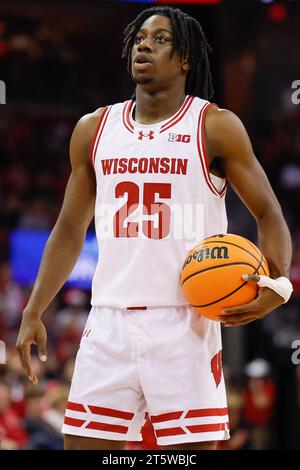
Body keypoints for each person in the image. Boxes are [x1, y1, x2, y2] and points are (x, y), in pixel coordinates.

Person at [16, 6, 292, 451]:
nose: (144, 45)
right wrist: (34, 309)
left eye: (160, 39)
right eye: (140, 38)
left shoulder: (215, 126)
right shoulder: (93, 129)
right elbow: (69, 229)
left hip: (186, 322)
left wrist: (276, 284)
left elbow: (269, 213)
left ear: (185, 58)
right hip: (108, 321)